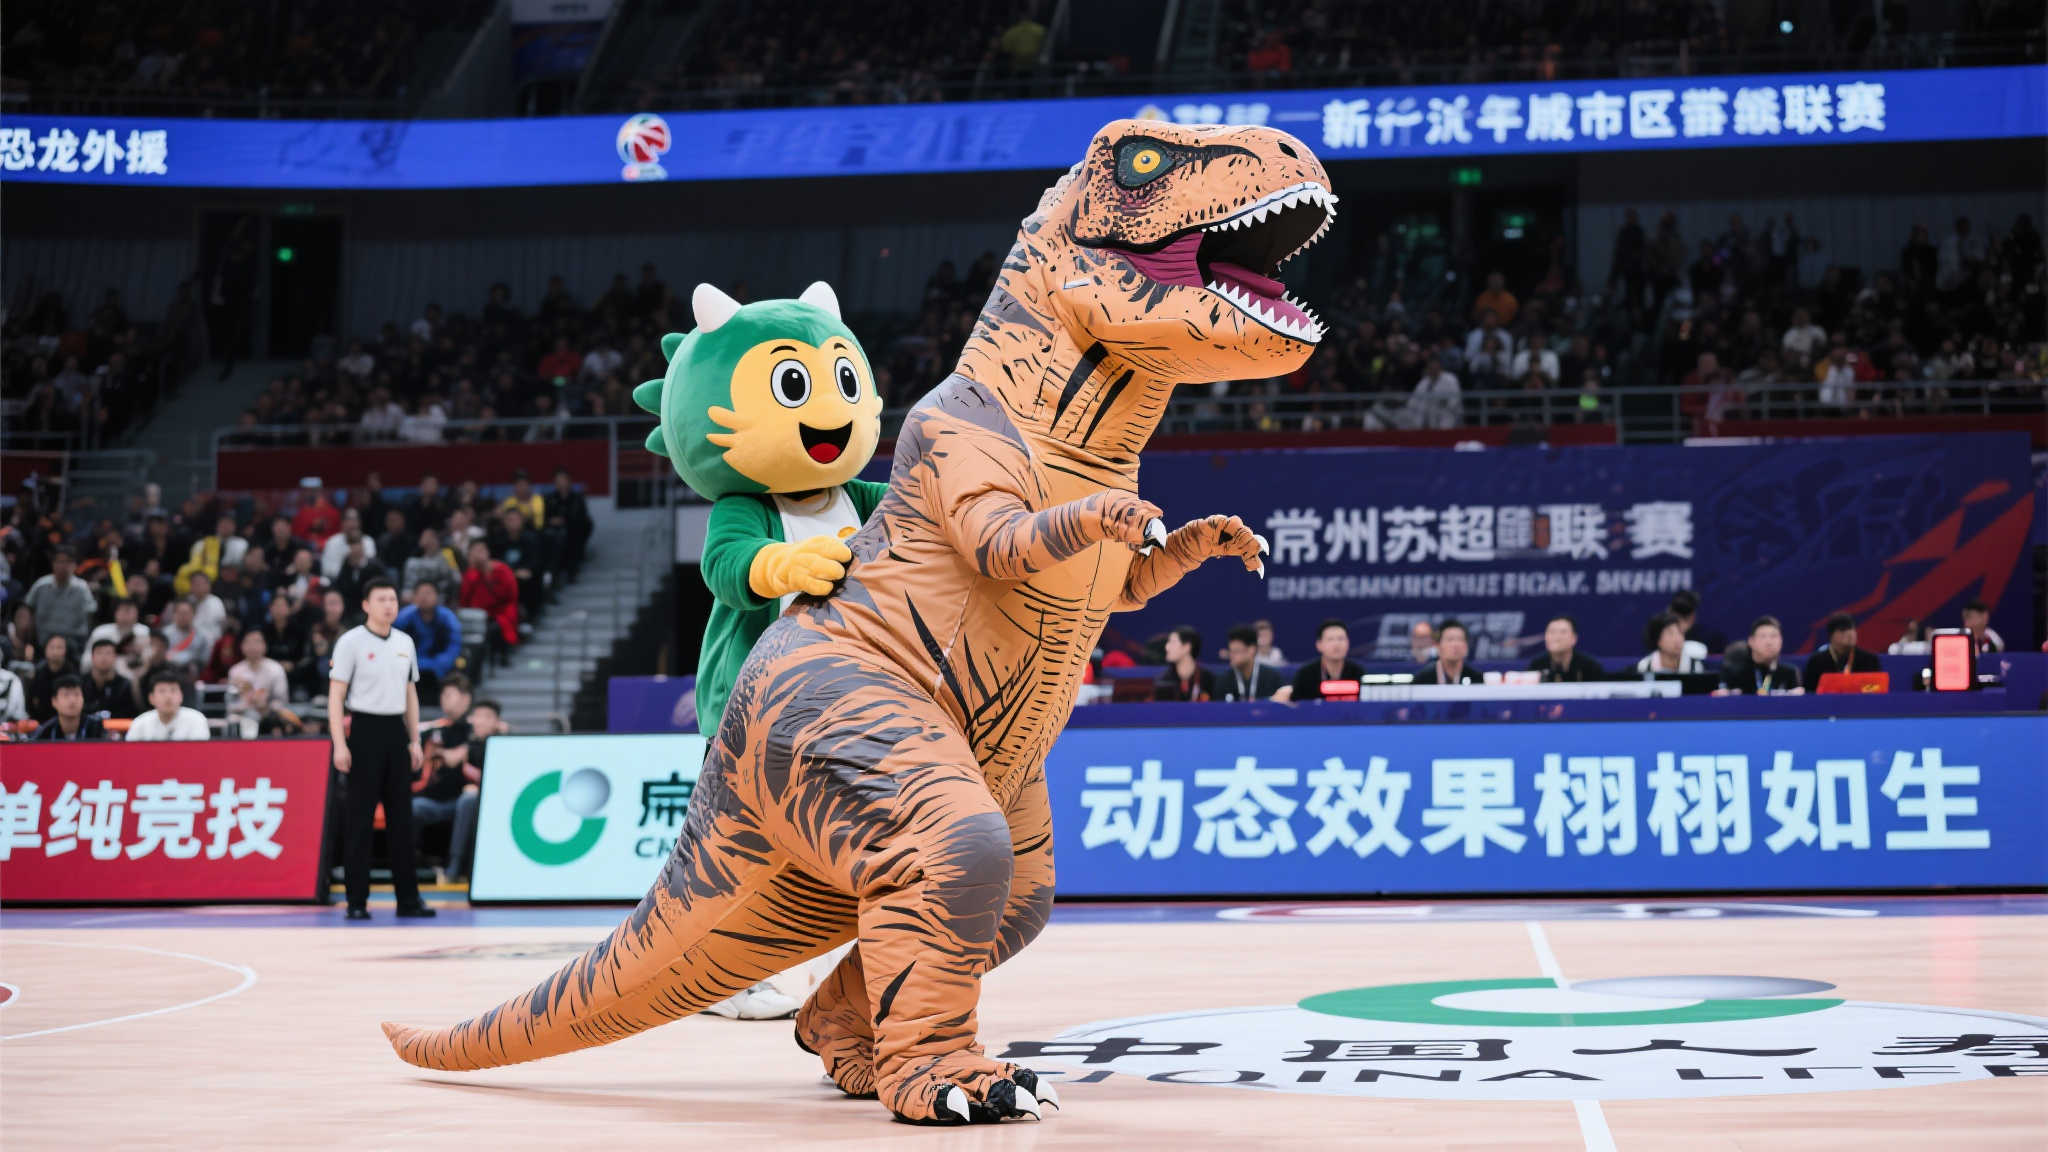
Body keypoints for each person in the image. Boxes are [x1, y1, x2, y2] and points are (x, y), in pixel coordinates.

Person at [329, 577, 433, 922]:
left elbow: (410, 693)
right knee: (359, 819)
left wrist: (414, 739)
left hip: (395, 731)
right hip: (364, 730)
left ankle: (409, 899)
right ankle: (356, 901)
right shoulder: (350, 642)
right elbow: (336, 696)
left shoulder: (405, 642)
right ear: (366, 605)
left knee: (402, 819)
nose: (389, 605)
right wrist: (340, 744)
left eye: (393, 599)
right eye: (381, 599)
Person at [415, 674, 483, 883]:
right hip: (436, 801)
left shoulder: (477, 730)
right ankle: (414, 867)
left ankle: (454, 868)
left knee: (467, 802)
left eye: (449, 694)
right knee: (414, 806)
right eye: (443, 695)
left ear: (466, 698)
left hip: (467, 800)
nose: (443, 699)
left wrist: (461, 752)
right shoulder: (434, 730)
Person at [396, 579, 462, 698]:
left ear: (437, 597)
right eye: (420, 593)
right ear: (414, 597)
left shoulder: (447, 618)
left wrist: (438, 664)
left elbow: (454, 645)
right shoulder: (404, 618)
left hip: (439, 666)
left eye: (428, 593)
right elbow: (395, 644)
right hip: (409, 665)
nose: (424, 597)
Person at [24, 546, 95, 654]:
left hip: (74, 643)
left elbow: (90, 614)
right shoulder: (41, 585)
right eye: (60, 561)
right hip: (43, 642)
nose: (63, 566)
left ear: (75, 565)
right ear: (53, 564)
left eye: (68, 562)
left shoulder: (82, 588)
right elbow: (27, 610)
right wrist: (28, 640)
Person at [460, 539, 520, 660]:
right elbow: (464, 600)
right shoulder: (470, 575)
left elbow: (512, 595)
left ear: (487, 552)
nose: (479, 555)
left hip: (501, 611)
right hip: (478, 614)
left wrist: (487, 574)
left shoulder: (502, 570)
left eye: (481, 550)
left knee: (499, 625)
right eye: (475, 552)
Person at [226, 629, 294, 736]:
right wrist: (247, 701)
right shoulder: (235, 671)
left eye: (257, 642)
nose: (253, 646)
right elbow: (230, 703)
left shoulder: (275, 669)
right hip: (242, 716)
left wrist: (266, 706)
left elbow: (282, 701)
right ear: (242, 646)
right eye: (248, 642)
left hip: (268, 717)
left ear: (265, 646)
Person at [1284, 618, 1366, 702]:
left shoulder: (1357, 672)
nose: (1336, 644)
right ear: (1319, 645)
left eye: (1341, 639)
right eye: (1330, 639)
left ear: (1348, 643)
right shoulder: (1305, 675)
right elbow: (1296, 704)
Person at [1722, 616, 1802, 695]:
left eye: (1774, 636)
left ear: (1781, 640)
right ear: (1751, 641)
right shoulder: (1737, 674)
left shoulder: (1789, 673)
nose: (1769, 642)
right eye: (1763, 636)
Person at [1803, 612, 1883, 686]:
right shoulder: (1816, 662)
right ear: (1831, 635)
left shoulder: (1869, 660)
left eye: (1853, 629)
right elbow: (1809, 691)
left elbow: (1875, 688)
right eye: (1843, 630)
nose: (1850, 633)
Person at [128, 671, 211, 740]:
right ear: (151, 698)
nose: (168, 696)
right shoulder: (140, 723)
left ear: (181, 696)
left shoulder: (196, 720)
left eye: (173, 690)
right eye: (162, 691)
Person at [1217, 625, 1287, 702]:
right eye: (1230, 651)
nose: (1231, 655)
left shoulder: (1272, 678)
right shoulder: (1223, 681)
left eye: (1236, 651)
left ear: (1251, 650)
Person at [546, 468, 593, 581]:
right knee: (553, 536)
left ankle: (572, 570)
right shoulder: (550, 498)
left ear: (569, 481)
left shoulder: (577, 498)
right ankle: (555, 572)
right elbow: (547, 516)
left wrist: (564, 520)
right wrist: (552, 521)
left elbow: (581, 516)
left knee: (574, 534)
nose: (561, 483)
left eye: (563, 480)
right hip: (555, 530)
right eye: (558, 481)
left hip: (574, 529)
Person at [1527, 615, 1603, 682]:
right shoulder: (1536, 666)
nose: (1556, 638)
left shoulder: (1590, 667)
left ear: (1574, 638)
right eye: (1552, 632)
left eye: (1563, 632)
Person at [32, 675, 105, 741]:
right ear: (54, 701)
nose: (72, 700)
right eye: (66, 695)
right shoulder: (45, 732)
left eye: (76, 694)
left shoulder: (97, 729)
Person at [80, 637, 139, 719]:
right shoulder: (80, 683)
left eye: (108, 653)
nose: (104, 658)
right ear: (92, 657)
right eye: (99, 653)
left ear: (115, 657)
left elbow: (130, 715)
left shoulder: (124, 685)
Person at [1152, 625, 1215, 702]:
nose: (1167, 647)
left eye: (1172, 642)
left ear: (1187, 647)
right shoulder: (1163, 680)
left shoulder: (1207, 678)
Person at [1412, 618, 1484, 684]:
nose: (1455, 644)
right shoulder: (1422, 679)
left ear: (1466, 645)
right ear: (1437, 645)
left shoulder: (1476, 678)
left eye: (1460, 639)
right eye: (1450, 639)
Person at [1636, 611, 1705, 677]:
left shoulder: (1695, 666)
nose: (1678, 639)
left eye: (1680, 633)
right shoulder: (1645, 666)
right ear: (1657, 639)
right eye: (1670, 634)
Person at [25, 634, 76, 722]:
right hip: (41, 721)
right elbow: (30, 703)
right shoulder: (38, 673)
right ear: (45, 650)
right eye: (52, 647)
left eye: (59, 647)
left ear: (66, 650)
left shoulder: (72, 673)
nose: (55, 651)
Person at [320, 507, 377, 580]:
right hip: (339, 581)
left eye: (355, 520)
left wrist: (358, 565)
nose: (353, 524)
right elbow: (326, 570)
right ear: (342, 523)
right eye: (349, 520)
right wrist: (348, 564)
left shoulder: (368, 541)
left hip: (364, 580)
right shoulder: (332, 542)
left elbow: (372, 567)